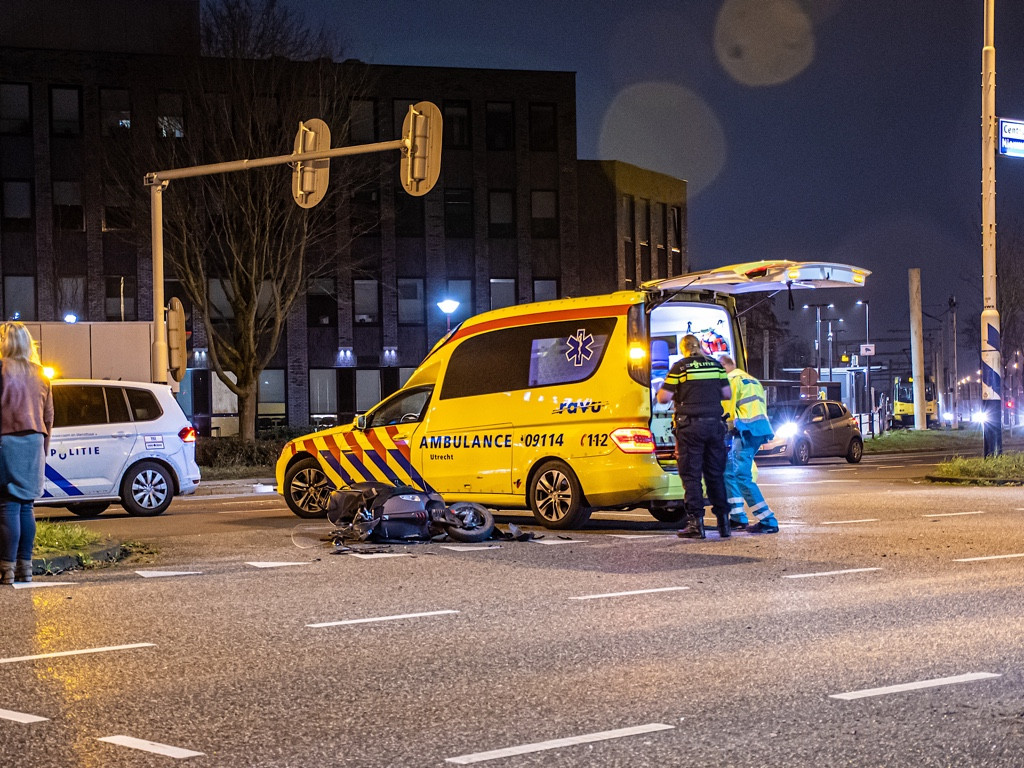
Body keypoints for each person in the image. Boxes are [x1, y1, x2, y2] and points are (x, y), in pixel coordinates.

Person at [657, 334, 732, 539]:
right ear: (699, 347)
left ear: (684, 349)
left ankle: (696, 524)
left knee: (691, 476)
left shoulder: (680, 367)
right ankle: (724, 524)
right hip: (714, 426)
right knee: (715, 475)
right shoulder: (716, 366)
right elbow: (727, 394)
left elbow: (663, 398)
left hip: (689, 428)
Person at [0, 322, 53, 585]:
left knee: (8, 505)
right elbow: (49, 417)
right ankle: (26, 567)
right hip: (34, 442)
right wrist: (43, 448)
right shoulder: (41, 373)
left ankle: (7, 568)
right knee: (26, 507)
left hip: (6, 442)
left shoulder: (1, 370)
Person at [718, 355, 779, 534]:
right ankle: (737, 518)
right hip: (758, 429)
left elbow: (727, 410)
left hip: (745, 430)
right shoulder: (752, 379)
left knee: (741, 476)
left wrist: (721, 430)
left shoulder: (730, 379)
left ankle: (768, 520)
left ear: (723, 367)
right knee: (729, 472)